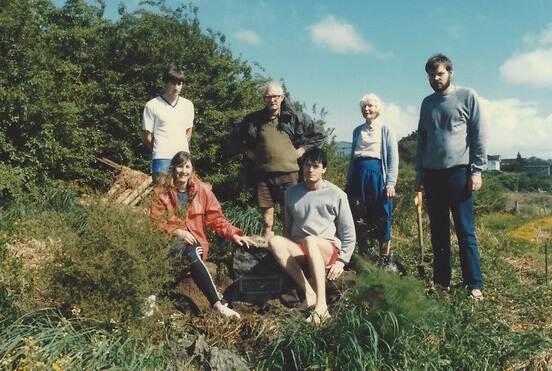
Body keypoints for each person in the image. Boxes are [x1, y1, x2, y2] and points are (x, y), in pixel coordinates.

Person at [414, 54, 487, 300]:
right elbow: (421, 141)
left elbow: (479, 134)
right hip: (433, 175)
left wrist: (476, 170)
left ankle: (474, 284)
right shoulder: (427, 103)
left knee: (465, 231)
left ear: (450, 73)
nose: (435, 79)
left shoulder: (467, 96)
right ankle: (442, 282)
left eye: (440, 74)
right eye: (431, 75)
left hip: (459, 173)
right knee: (439, 231)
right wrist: (418, 173)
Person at [150, 151, 254, 319]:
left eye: (187, 166)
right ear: (173, 168)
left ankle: (219, 306)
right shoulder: (161, 192)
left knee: (192, 253)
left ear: (192, 169)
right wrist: (177, 231)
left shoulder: (203, 191)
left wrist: (234, 234)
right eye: (179, 166)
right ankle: (151, 296)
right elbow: (155, 222)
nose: (183, 171)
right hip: (171, 242)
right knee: (180, 247)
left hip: (195, 242)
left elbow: (216, 219)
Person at [268, 148, 356, 324]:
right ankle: (309, 293)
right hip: (302, 248)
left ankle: (322, 307)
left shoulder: (337, 194)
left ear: (324, 169)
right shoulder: (291, 194)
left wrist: (342, 261)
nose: (311, 170)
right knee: (275, 241)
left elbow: (348, 232)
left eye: (316, 166)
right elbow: (288, 228)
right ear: (302, 167)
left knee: (311, 241)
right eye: (307, 165)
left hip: (326, 248)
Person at [230, 81, 326, 239]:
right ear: (263, 99)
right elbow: (233, 138)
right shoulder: (253, 120)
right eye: (268, 96)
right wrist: (248, 152)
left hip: (290, 174)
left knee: (288, 216)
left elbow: (320, 134)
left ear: (282, 97)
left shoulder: (296, 118)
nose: (272, 100)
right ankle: (267, 243)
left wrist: (302, 150)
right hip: (263, 175)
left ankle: (287, 248)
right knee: (267, 219)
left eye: (275, 96)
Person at [345, 93, 399, 267]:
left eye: (371, 106)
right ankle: (365, 259)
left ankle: (384, 259)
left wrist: (390, 183)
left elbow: (393, 158)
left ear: (378, 109)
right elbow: (352, 161)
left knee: (382, 214)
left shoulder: (386, 129)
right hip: (358, 177)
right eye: (364, 107)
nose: (367, 109)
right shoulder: (357, 131)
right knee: (360, 216)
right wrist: (349, 183)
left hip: (377, 177)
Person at [142, 66, 195, 185]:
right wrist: (158, 151)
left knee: (182, 199)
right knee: (160, 197)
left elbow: (188, 132)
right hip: (162, 158)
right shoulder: (152, 105)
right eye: (173, 83)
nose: (176, 87)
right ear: (165, 83)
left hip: (183, 160)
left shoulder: (188, 105)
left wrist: (182, 152)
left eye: (180, 83)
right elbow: (147, 136)